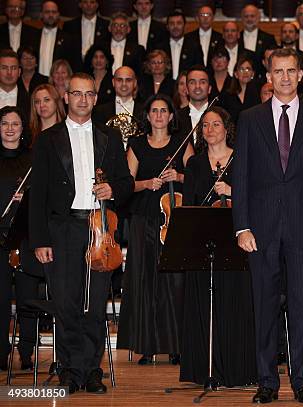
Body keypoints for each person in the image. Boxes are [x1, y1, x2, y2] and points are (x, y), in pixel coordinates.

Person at [232, 47, 303, 404]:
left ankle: (302, 381)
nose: (286, 77)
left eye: (292, 71)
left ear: (301, 75)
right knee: (264, 306)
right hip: (260, 230)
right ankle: (266, 381)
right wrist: (241, 226)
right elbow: (241, 177)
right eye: (279, 71)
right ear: (269, 76)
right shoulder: (249, 119)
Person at [29, 73, 133, 394]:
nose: (83, 100)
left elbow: (127, 183)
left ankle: (91, 369)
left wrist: (112, 187)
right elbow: (38, 195)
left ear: (96, 98)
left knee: (96, 302)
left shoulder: (109, 138)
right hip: (62, 229)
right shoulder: (48, 140)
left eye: (89, 94)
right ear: (66, 97)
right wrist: (40, 240)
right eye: (77, 94)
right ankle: (70, 369)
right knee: (66, 303)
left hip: (99, 229)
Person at [180, 106, 257, 386]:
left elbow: (258, 199)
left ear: (227, 128)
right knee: (206, 302)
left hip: (239, 241)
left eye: (215, 124)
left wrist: (232, 191)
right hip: (205, 243)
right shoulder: (195, 165)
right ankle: (205, 369)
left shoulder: (243, 160)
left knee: (236, 301)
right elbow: (189, 204)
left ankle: (238, 369)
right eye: (205, 126)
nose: (209, 130)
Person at [117, 93, 194, 365]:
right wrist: (147, 183)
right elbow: (125, 185)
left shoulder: (182, 144)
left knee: (175, 283)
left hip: (174, 221)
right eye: (154, 111)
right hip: (144, 220)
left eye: (164, 111)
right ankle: (145, 345)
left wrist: (180, 176)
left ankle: (176, 346)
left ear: (172, 116)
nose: (159, 115)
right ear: (147, 116)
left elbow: (196, 179)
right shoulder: (137, 145)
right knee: (144, 281)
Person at [0, 106, 40, 372]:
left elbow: (42, 197)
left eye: (15, 123)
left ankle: (26, 352)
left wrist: (26, 198)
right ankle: (1, 353)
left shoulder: (33, 159)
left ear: (23, 128)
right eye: (4, 123)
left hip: (25, 237)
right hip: (0, 236)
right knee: (1, 298)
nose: (10, 128)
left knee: (27, 298)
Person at [220, 56, 261, 123]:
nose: (245, 72)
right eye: (241, 69)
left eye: (248, 69)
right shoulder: (227, 95)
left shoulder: (259, 92)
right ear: (236, 74)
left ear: (253, 74)